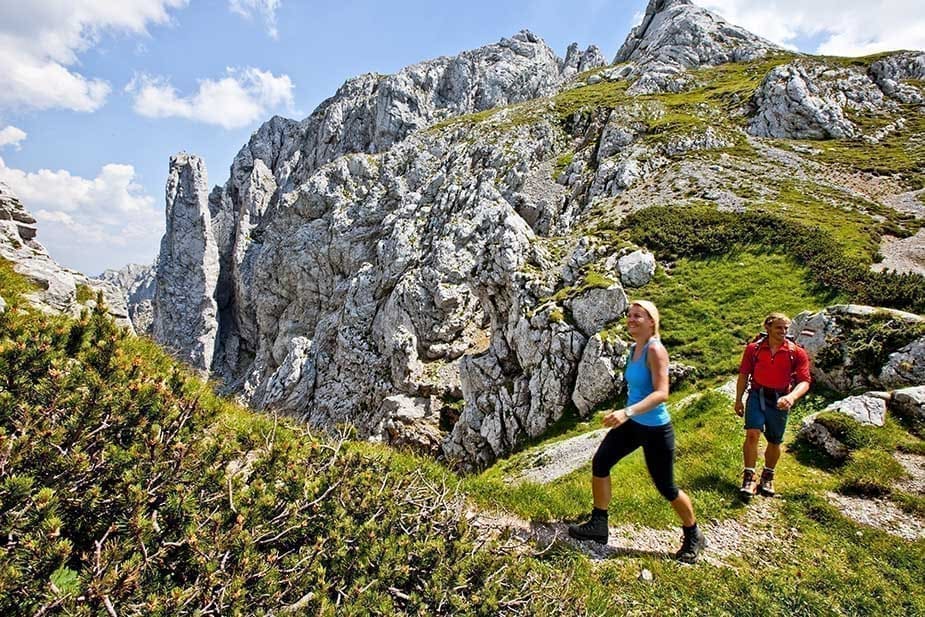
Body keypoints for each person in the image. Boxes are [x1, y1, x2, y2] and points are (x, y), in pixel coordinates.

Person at [568, 300, 706, 564]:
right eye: (630, 315)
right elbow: (637, 389)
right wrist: (625, 412)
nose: (631, 320)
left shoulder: (656, 350)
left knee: (666, 487)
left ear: (652, 321)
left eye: (638, 316)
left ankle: (693, 534)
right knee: (601, 462)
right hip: (633, 424)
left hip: (655, 428)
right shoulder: (634, 349)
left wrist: (626, 412)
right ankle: (599, 523)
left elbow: (662, 393)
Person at [735, 312, 811, 499]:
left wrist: (792, 397)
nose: (783, 331)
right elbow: (744, 375)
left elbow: (804, 381)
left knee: (775, 440)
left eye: (786, 328)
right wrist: (738, 400)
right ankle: (749, 477)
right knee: (752, 433)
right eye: (779, 328)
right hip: (757, 395)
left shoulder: (796, 352)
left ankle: (768, 476)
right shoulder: (753, 349)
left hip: (781, 398)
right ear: (767, 327)